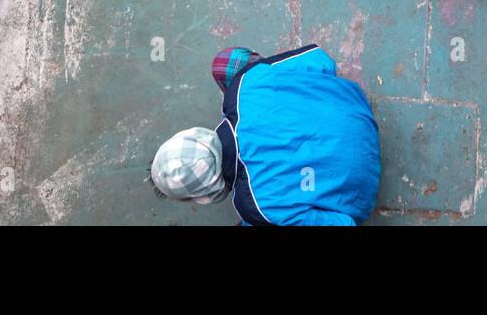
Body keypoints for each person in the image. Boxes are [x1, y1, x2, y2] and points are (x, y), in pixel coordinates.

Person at [149, 45, 380, 226]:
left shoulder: (256, 208)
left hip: (362, 189)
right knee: (227, 63)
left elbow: (341, 223)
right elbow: (321, 61)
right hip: (352, 105)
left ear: (205, 194)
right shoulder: (242, 86)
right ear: (195, 135)